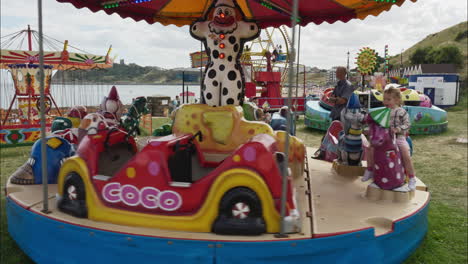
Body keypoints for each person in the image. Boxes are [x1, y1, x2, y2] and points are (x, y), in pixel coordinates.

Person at [362, 86, 416, 190]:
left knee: (405, 154)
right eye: (384, 99)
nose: (385, 101)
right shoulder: (382, 112)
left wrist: (398, 129)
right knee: (370, 148)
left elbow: (408, 124)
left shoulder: (401, 112)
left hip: (399, 138)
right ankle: (370, 169)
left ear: (396, 100)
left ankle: (412, 177)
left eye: (388, 99)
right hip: (383, 139)